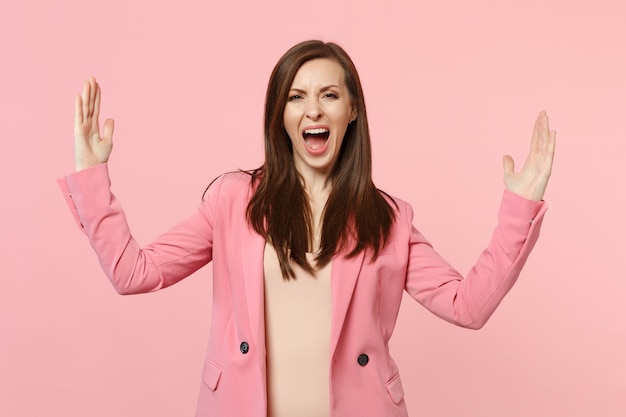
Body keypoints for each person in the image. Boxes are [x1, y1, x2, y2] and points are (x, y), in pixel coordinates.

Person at [58, 40, 556, 417]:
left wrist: (521, 204)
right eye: (296, 96)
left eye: (329, 95)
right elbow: (133, 272)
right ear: (281, 114)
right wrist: (91, 176)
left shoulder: (388, 218)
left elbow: (466, 306)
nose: (312, 109)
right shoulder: (233, 201)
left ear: (352, 110)